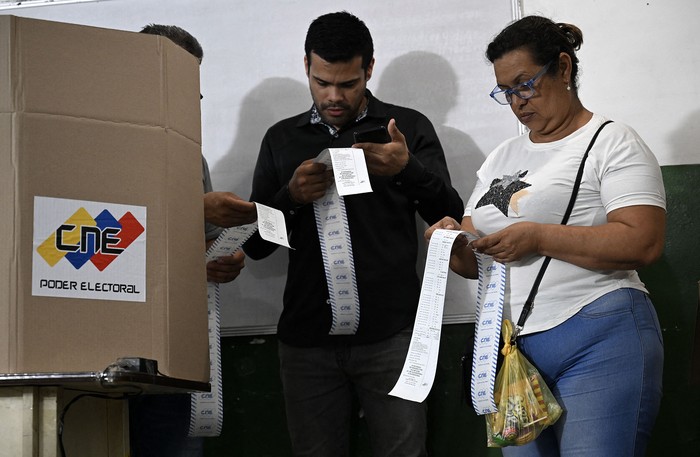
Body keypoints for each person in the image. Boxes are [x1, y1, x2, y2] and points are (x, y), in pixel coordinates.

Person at [426, 15, 665, 457]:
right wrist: (452, 241)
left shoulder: (613, 142)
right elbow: (471, 263)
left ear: (563, 68)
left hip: (600, 335)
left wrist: (538, 237)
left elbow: (642, 242)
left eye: (525, 84)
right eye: (506, 91)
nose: (517, 101)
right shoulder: (503, 156)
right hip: (514, 351)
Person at [242, 11, 463, 457]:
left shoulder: (406, 129)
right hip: (306, 342)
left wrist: (407, 170)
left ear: (369, 68)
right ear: (306, 66)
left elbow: (451, 219)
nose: (334, 96)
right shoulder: (281, 139)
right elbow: (256, 246)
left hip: (393, 335)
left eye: (348, 83)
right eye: (323, 82)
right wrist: (290, 198)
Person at [129, 24, 257, 457]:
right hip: (105, 349)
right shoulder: (92, 145)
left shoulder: (191, 156)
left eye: (196, 92)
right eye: (183, 87)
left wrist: (224, 257)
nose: (193, 103)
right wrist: (192, 210)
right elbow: (86, 241)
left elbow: (198, 246)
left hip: (175, 350)